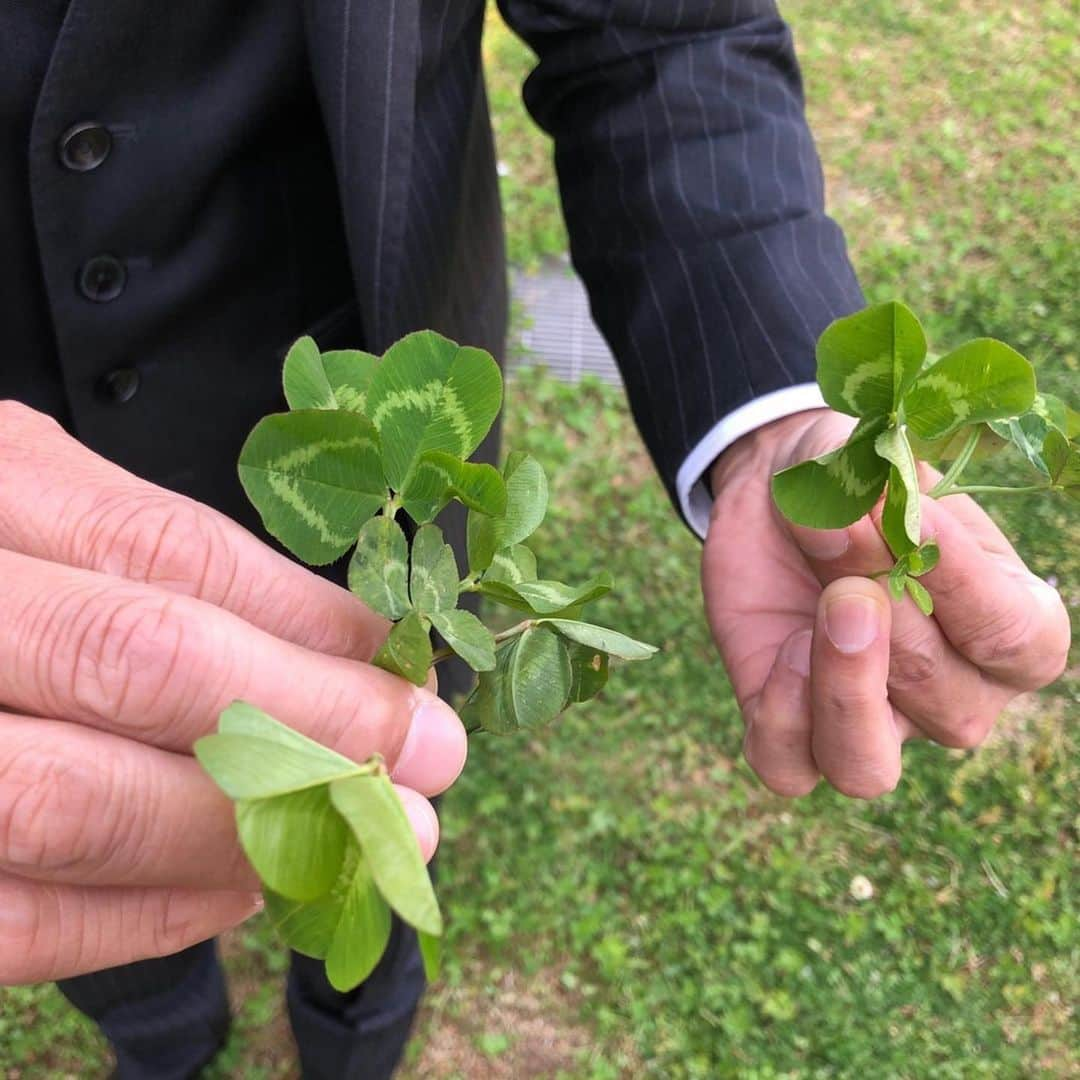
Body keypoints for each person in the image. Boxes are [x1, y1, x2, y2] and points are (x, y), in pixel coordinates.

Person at [0, 2, 1069, 1078]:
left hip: (380, 449)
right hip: (24, 505)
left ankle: (356, 1038)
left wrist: (773, 413)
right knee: (63, 837)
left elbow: (660, 31)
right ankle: (162, 1043)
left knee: (388, 806)